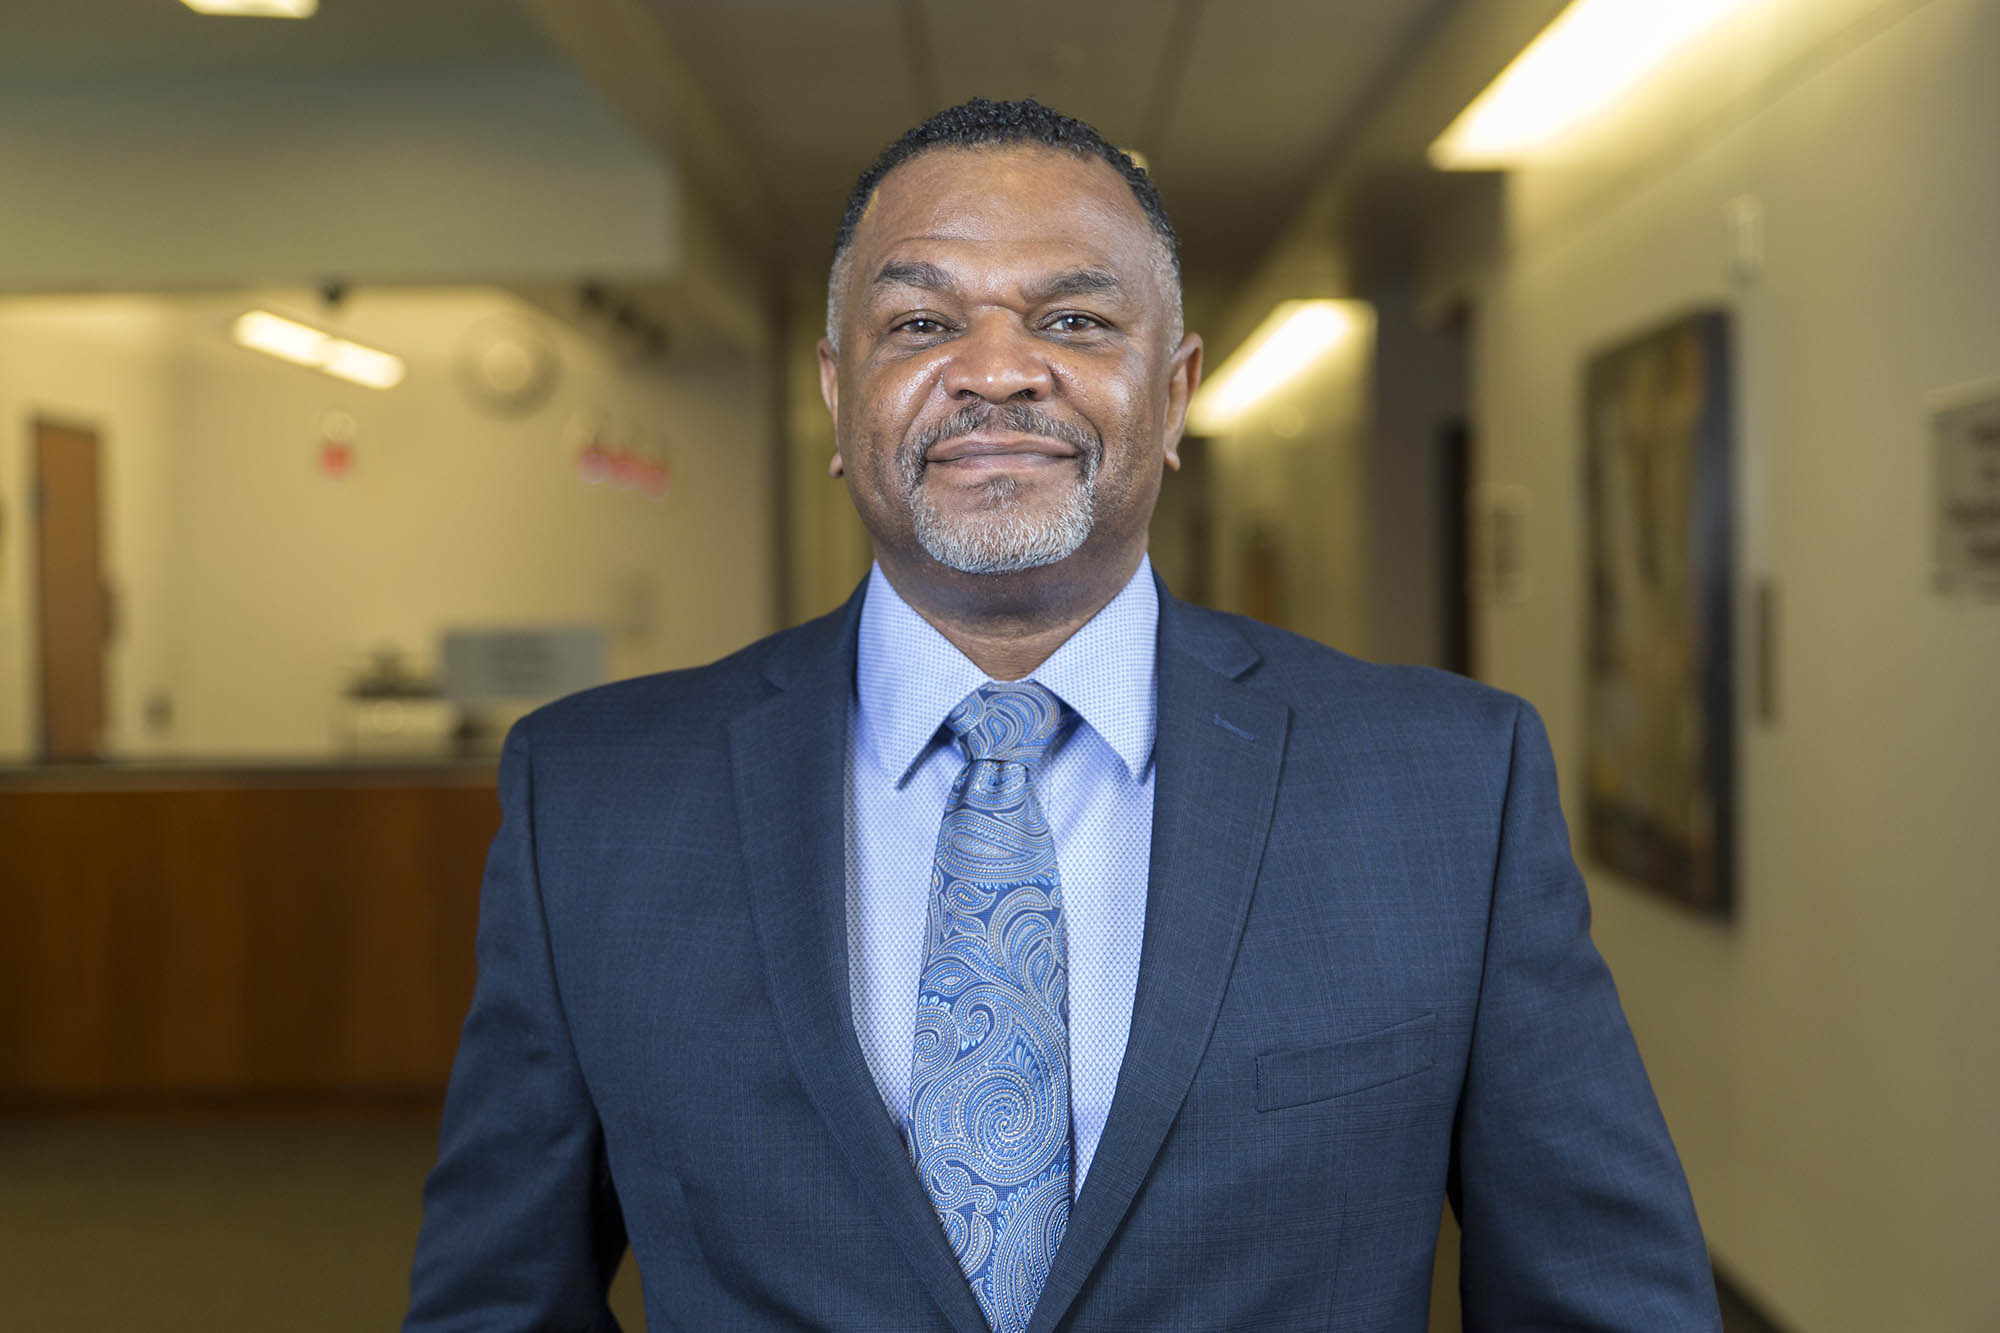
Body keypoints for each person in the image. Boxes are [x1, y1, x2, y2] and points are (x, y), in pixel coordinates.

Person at [405, 99, 1721, 1332]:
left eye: (1077, 321)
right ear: (833, 391)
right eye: (921, 325)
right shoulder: (591, 801)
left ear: (1176, 393)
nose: (996, 372)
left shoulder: (1446, 790)